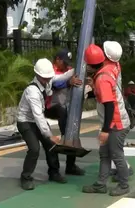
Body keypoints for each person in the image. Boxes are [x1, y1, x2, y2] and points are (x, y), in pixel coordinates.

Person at [16, 58, 82, 190]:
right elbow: (38, 116)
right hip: (25, 122)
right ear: (38, 75)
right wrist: (48, 134)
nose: (48, 80)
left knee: (51, 145)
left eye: (49, 77)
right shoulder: (32, 91)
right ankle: (26, 177)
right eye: (45, 77)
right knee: (34, 148)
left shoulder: (47, 80)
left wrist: (81, 66)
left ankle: (54, 173)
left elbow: (62, 77)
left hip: (36, 120)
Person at [82, 44, 131, 196]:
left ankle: (124, 185)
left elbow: (109, 105)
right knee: (104, 154)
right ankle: (100, 184)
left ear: (91, 65)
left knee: (116, 155)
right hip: (114, 121)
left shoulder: (102, 79)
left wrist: (105, 130)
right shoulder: (113, 66)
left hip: (115, 123)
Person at [44, 49, 86, 180]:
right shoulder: (49, 70)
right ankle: (64, 137)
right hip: (50, 107)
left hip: (63, 108)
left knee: (72, 132)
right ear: (57, 59)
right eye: (64, 62)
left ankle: (70, 166)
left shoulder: (66, 70)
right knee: (60, 133)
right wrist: (68, 82)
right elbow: (54, 83)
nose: (66, 65)